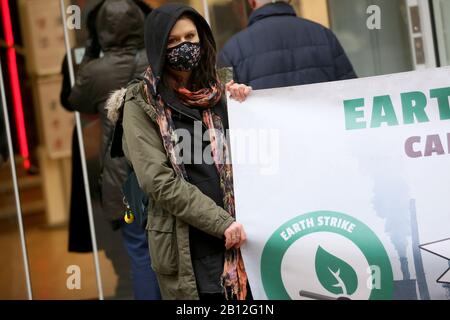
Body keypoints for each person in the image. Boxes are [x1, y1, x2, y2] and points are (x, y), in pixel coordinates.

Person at [107, 3, 252, 300]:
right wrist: (220, 222)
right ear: (157, 46)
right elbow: (157, 180)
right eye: (172, 41)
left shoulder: (217, 90)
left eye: (190, 37)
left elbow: (252, 156)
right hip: (190, 246)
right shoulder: (141, 102)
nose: (184, 46)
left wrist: (245, 105)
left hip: (241, 239)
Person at [67, 0, 160, 300]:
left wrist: (92, 53)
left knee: (140, 255)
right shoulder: (158, 60)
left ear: (100, 28)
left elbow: (75, 102)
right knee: (177, 253)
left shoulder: (94, 72)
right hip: (164, 169)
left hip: (122, 178)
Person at [218, 0, 356, 90]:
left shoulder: (229, 51)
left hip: (267, 134)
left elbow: (224, 103)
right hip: (325, 132)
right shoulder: (325, 36)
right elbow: (353, 92)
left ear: (251, 2)